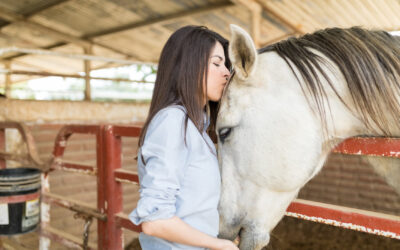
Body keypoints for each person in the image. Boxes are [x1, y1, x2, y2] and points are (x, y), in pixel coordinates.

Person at [129, 25, 238, 250]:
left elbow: (194, 208)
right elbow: (155, 220)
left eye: (225, 64)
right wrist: (219, 245)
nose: (226, 72)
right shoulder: (173, 122)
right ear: (190, 66)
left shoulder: (199, 128)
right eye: (217, 63)